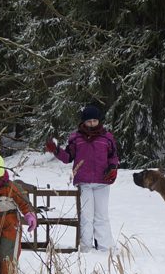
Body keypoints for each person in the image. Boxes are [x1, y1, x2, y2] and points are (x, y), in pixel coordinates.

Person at [45, 103, 120, 251]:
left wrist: (113, 168)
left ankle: (105, 247)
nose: (92, 124)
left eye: (95, 121)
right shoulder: (76, 138)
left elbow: (113, 157)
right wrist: (56, 150)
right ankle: (86, 247)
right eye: (88, 121)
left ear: (99, 121)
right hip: (84, 182)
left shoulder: (107, 137)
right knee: (86, 216)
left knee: (101, 216)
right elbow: (68, 157)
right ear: (83, 122)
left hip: (102, 181)